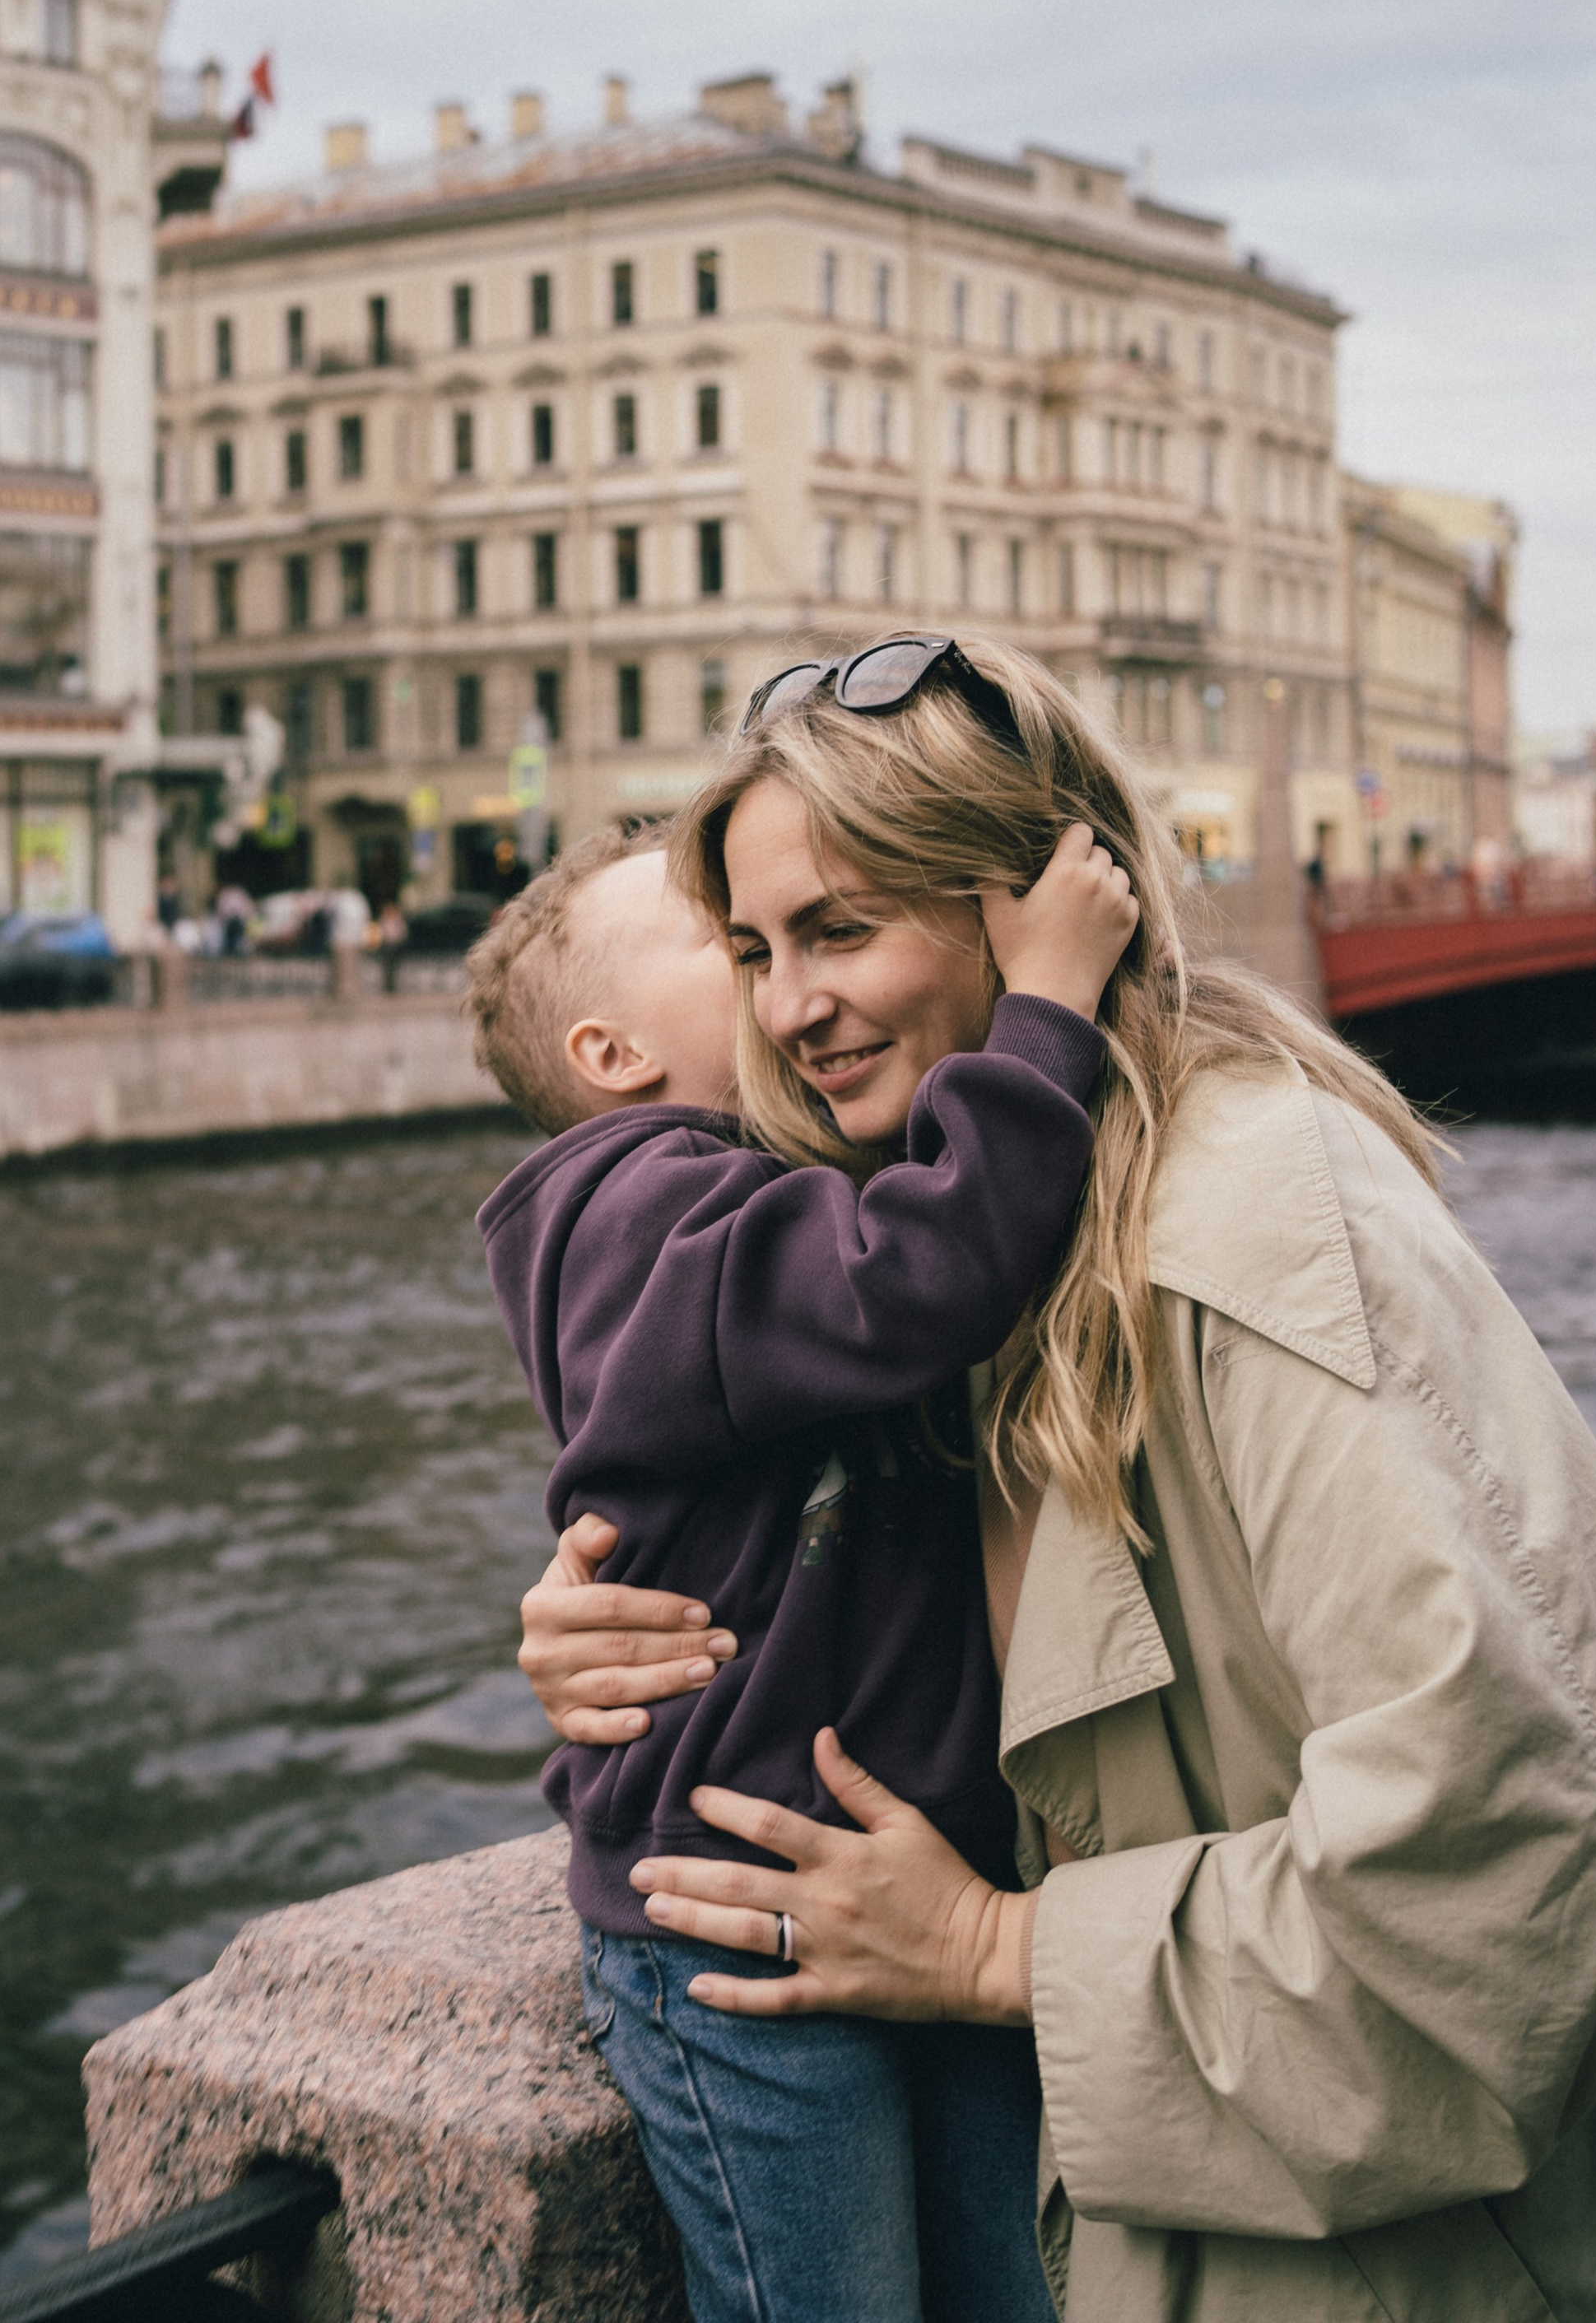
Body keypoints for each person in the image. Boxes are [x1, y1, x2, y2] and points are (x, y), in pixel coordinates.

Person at [517, 631, 1596, 2321]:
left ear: (1021, 907)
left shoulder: (1246, 1232)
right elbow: (788, 1475)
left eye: (841, 926)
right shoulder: (990, 1224)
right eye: (749, 949)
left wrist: (988, 1954)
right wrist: (604, 1614)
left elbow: (1508, 1872)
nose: (788, 1006)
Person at [468, 808, 1136, 2323]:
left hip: (902, 1875)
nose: (782, 983)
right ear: (612, 1055)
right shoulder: (632, 1210)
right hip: (729, 1917)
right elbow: (919, 1273)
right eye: (734, 945)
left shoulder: (754, 1189)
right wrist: (1048, 1009)